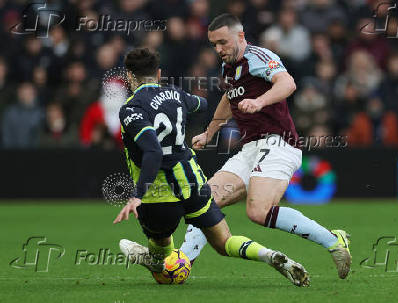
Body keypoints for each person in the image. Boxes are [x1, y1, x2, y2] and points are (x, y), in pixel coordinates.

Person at [112, 48, 310, 287]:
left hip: (159, 195)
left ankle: (155, 259)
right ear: (159, 73)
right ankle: (268, 255)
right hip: (194, 184)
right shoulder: (175, 93)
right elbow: (201, 104)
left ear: (129, 76)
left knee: (163, 264)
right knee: (224, 242)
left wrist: (137, 196)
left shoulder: (131, 108)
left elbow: (153, 151)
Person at [179, 14, 351, 279]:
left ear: (240, 36)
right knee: (204, 201)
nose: (218, 49)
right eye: (214, 44)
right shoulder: (228, 67)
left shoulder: (258, 57)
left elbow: (287, 83)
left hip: (279, 142)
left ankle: (333, 240)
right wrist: (210, 132)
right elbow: (228, 97)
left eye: (222, 43)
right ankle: (181, 265)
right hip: (250, 148)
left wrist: (259, 102)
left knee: (257, 212)